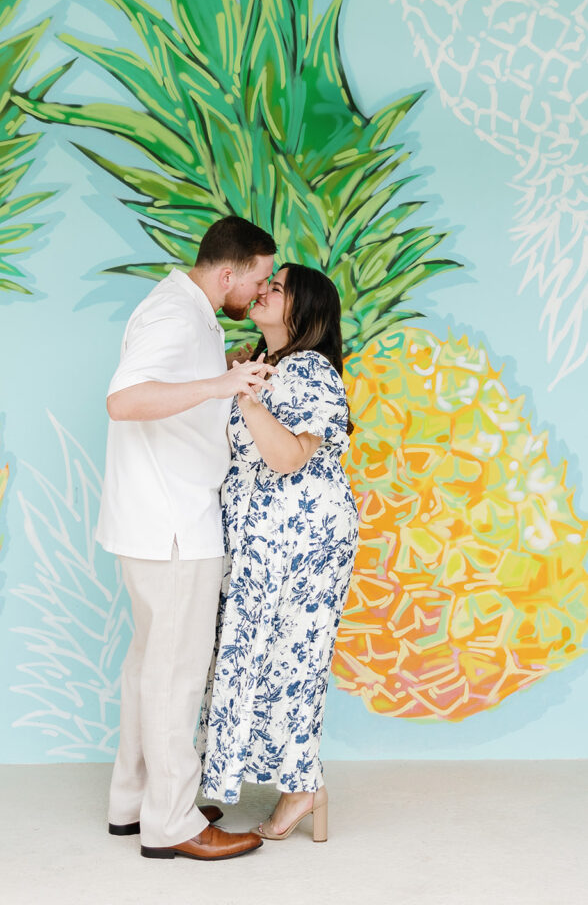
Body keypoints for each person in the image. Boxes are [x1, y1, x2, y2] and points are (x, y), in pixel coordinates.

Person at [96, 216, 276, 861]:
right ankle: (171, 825)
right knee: (173, 677)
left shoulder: (187, 312)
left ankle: (134, 802)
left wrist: (216, 377)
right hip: (171, 524)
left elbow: (169, 397)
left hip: (156, 517)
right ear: (228, 271)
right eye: (256, 279)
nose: (259, 294)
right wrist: (225, 384)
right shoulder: (176, 315)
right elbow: (125, 400)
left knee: (150, 667)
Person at [198, 263, 359, 842]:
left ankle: (302, 789)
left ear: (305, 309)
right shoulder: (263, 365)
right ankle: (225, 781)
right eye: (267, 281)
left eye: (279, 286)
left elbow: (290, 457)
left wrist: (247, 400)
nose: (264, 289)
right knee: (247, 657)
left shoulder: (311, 370)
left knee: (293, 663)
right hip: (259, 540)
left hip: (301, 542)